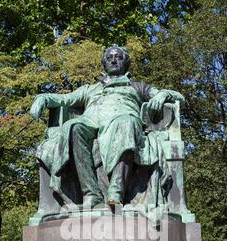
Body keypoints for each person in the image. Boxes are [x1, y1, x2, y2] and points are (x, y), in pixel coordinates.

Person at [30, 45, 184, 208]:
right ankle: (91, 194)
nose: (114, 60)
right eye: (109, 57)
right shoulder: (90, 89)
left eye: (118, 57)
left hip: (123, 119)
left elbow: (178, 96)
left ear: (126, 62)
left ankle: (116, 193)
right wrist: (43, 98)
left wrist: (162, 94)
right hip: (91, 122)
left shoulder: (136, 86)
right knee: (73, 128)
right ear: (104, 63)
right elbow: (64, 99)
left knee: (125, 123)